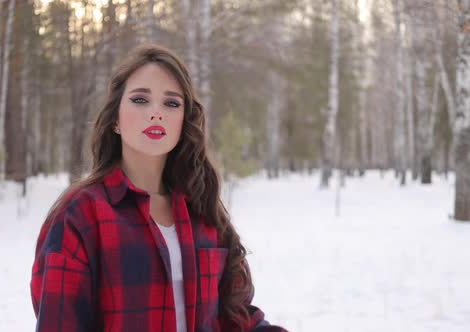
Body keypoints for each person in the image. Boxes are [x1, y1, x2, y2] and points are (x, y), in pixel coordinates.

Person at [30, 43, 288, 332]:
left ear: (183, 122)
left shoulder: (201, 210)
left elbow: (236, 316)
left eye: (172, 103)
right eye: (140, 100)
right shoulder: (81, 214)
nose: (156, 113)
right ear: (115, 118)